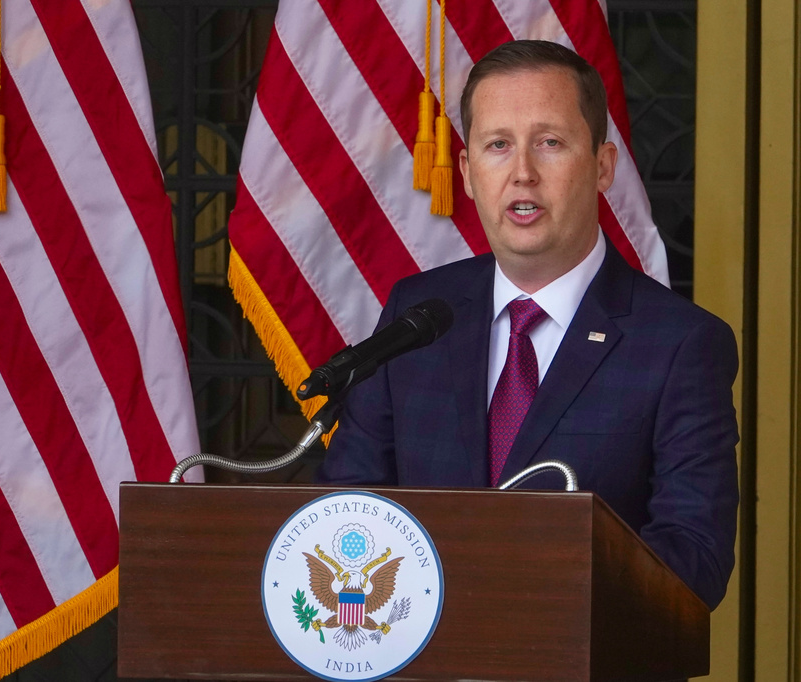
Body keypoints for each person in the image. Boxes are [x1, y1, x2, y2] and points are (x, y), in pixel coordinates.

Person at [314, 40, 739, 611]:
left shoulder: (681, 344)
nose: (522, 174)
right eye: (497, 146)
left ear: (603, 165)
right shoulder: (415, 317)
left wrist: (532, 592)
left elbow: (695, 558)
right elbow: (349, 508)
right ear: (466, 173)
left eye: (550, 143)